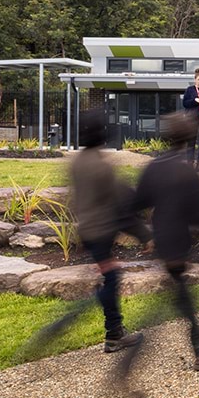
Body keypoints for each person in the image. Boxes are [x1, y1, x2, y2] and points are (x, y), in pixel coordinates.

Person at [132, 111, 199, 371]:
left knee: (180, 294)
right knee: (167, 305)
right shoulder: (186, 172)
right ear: (189, 138)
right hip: (178, 244)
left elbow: (137, 203)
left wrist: (145, 234)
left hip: (162, 239)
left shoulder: (154, 167)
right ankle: (127, 366)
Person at [67, 109, 153, 353]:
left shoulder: (78, 162)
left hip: (87, 230)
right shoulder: (100, 167)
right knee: (111, 281)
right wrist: (144, 234)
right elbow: (120, 208)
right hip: (101, 233)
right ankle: (112, 332)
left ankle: (114, 331)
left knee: (111, 277)